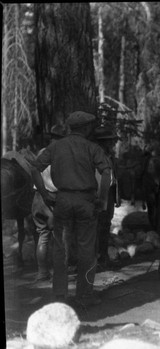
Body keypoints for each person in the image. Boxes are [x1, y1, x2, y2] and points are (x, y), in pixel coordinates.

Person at [29, 111, 111, 307]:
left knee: (61, 249)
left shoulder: (55, 146)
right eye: (90, 127)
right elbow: (106, 173)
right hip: (86, 201)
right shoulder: (93, 148)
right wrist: (102, 198)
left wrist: (44, 193)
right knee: (87, 250)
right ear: (85, 128)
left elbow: (34, 169)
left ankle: (59, 295)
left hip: (63, 200)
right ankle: (85, 296)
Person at [31, 124, 69, 282]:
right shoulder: (63, 154)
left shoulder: (41, 152)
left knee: (43, 236)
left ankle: (42, 272)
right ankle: (60, 273)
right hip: (54, 198)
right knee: (61, 237)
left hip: (38, 198)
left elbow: (34, 173)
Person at [92, 125, 121, 270]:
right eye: (110, 141)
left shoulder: (109, 157)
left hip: (108, 195)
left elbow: (113, 178)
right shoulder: (96, 157)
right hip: (98, 196)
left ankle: (103, 258)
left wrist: (116, 197)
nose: (113, 144)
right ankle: (97, 259)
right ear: (103, 142)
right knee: (97, 228)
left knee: (105, 227)